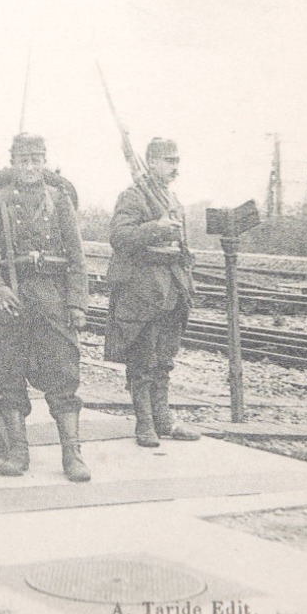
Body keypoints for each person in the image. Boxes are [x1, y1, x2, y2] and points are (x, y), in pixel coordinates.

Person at [0, 133, 91, 482]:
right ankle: (17, 451)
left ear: (45, 160)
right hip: (9, 300)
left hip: (52, 296)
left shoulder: (60, 199)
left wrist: (77, 303)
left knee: (63, 375)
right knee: (8, 374)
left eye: (36, 159)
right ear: (13, 162)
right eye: (23, 160)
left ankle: (72, 454)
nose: (30, 167)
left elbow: (78, 258)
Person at [104, 137, 202, 447]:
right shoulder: (133, 196)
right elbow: (119, 236)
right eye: (168, 161)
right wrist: (156, 228)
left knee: (164, 360)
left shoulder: (171, 198)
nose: (175, 167)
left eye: (176, 161)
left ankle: (164, 420)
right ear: (152, 163)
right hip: (143, 291)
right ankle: (144, 424)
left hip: (172, 288)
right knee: (143, 360)